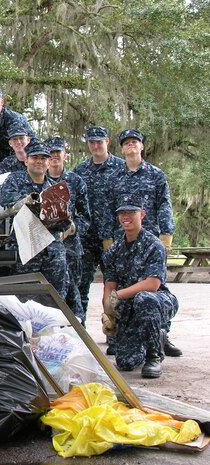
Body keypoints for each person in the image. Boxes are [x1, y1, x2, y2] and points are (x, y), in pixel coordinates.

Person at [102, 128, 181, 357]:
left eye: (135, 142)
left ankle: (161, 333)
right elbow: (107, 210)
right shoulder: (114, 177)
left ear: (141, 146)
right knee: (124, 285)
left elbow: (164, 204)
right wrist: (108, 239)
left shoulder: (156, 174)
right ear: (122, 148)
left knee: (153, 289)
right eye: (126, 143)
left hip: (150, 237)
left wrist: (166, 235)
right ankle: (117, 332)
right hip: (122, 238)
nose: (131, 146)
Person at [101, 195, 179, 378]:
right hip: (129, 304)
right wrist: (108, 312)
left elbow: (152, 284)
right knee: (126, 363)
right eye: (122, 213)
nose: (126, 217)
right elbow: (109, 285)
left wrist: (117, 296)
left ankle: (154, 356)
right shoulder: (114, 250)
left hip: (158, 300)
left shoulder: (154, 245)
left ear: (142, 214)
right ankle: (156, 336)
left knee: (144, 298)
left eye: (131, 212)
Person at [0, 140, 69, 297]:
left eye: (43, 158)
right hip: (26, 247)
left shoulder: (55, 189)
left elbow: (64, 221)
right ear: (26, 160)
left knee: (56, 297)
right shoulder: (15, 180)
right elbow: (6, 199)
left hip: (52, 250)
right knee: (23, 296)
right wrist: (32, 203)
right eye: (35, 157)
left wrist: (63, 219)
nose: (39, 162)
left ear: (49, 162)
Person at [72, 126, 124, 316]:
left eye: (99, 142)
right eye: (91, 142)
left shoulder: (121, 168)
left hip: (113, 238)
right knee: (80, 285)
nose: (95, 145)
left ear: (107, 141)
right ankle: (79, 329)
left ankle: (114, 331)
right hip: (86, 238)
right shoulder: (80, 171)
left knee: (114, 286)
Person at [45, 136, 91, 323]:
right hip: (46, 246)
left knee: (75, 290)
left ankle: (79, 332)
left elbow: (86, 217)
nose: (55, 156)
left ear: (65, 154)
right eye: (51, 153)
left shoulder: (76, 181)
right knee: (51, 292)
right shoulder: (39, 179)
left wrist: (73, 228)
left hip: (71, 246)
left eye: (58, 152)